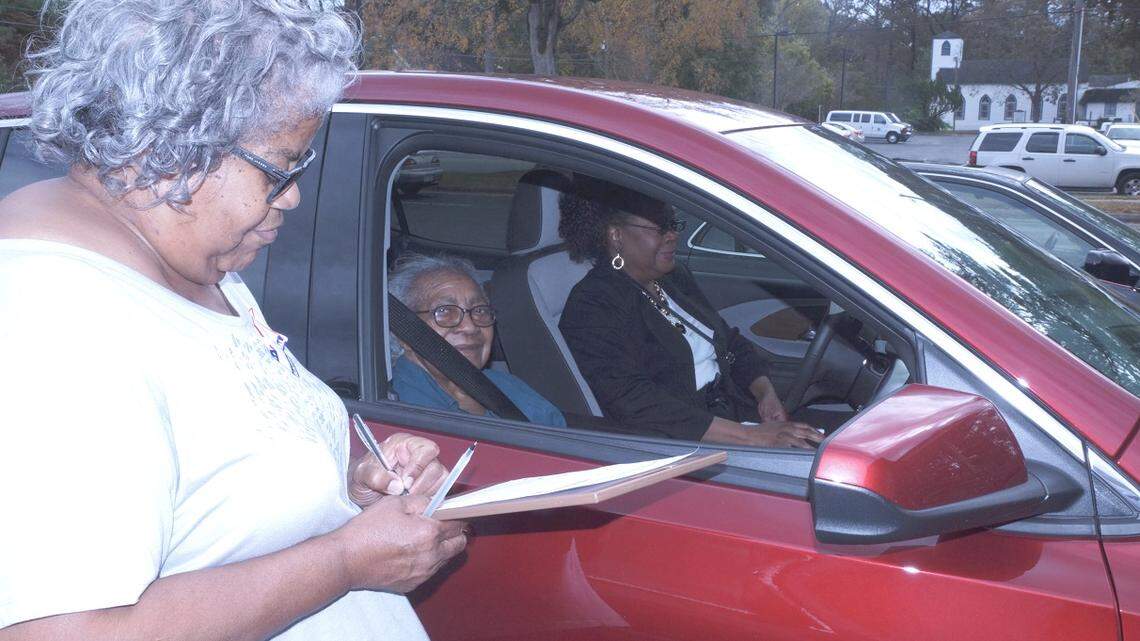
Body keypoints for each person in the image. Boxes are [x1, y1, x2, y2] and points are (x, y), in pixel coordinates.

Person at [0, 2, 466, 640]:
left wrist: (354, 496)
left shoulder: (194, 264)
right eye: (281, 167)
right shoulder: (53, 320)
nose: (295, 195)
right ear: (165, 145)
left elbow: (210, 507)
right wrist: (346, 560)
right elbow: (61, 632)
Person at [558, 179, 823, 449]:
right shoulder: (592, 304)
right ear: (616, 236)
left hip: (732, 416)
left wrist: (764, 393)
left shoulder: (673, 279)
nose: (672, 235)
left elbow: (728, 341)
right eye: (660, 228)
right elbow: (634, 401)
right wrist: (750, 437)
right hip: (681, 444)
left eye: (673, 225)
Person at [389, 253, 566, 427]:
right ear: (403, 333)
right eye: (444, 311)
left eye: (480, 310)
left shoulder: (508, 386)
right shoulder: (399, 410)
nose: (470, 327)